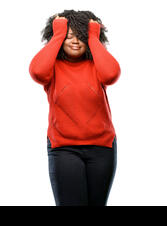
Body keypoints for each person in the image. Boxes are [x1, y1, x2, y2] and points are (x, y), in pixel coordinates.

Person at [29, 10, 120, 206]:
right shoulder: (52, 67)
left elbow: (111, 75)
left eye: (81, 36)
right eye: (69, 36)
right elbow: (37, 71)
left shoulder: (97, 65)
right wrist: (58, 34)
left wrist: (94, 38)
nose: (75, 41)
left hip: (102, 148)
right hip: (64, 149)